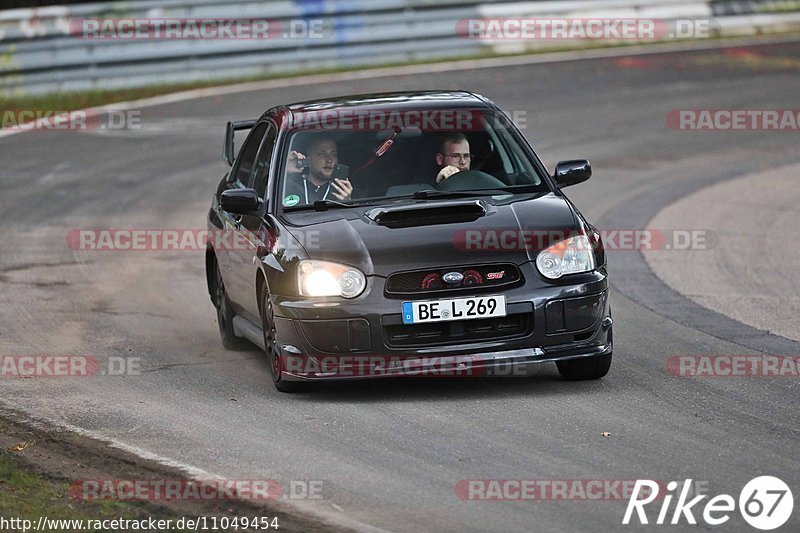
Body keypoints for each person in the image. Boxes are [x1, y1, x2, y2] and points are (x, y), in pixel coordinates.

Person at [284, 135, 353, 204]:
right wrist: (284, 171)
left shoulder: (342, 190)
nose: (329, 160)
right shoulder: (290, 186)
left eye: (333, 154)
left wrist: (347, 202)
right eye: (322, 154)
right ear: (309, 159)